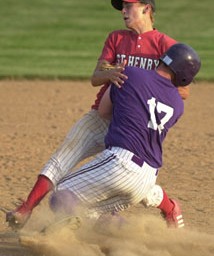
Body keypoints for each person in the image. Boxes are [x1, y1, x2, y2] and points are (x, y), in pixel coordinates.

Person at [6, 0, 189, 230]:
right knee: (64, 157)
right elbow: (96, 77)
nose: (123, 11)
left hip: (135, 124)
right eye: (121, 8)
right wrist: (110, 74)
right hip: (101, 117)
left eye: (128, 7)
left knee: (131, 176)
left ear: (146, 9)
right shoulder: (116, 38)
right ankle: (26, 209)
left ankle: (165, 208)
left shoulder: (166, 46)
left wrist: (145, 83)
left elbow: (182, 91)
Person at [46, 43, 201, 229]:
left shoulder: (130, 73)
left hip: (120, 163)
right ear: (185, 77)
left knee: (61, 193)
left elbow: (103, 111)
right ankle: (129, 238)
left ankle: (62, 237)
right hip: (146, 180)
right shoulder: (178, 104)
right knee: (89, 212)